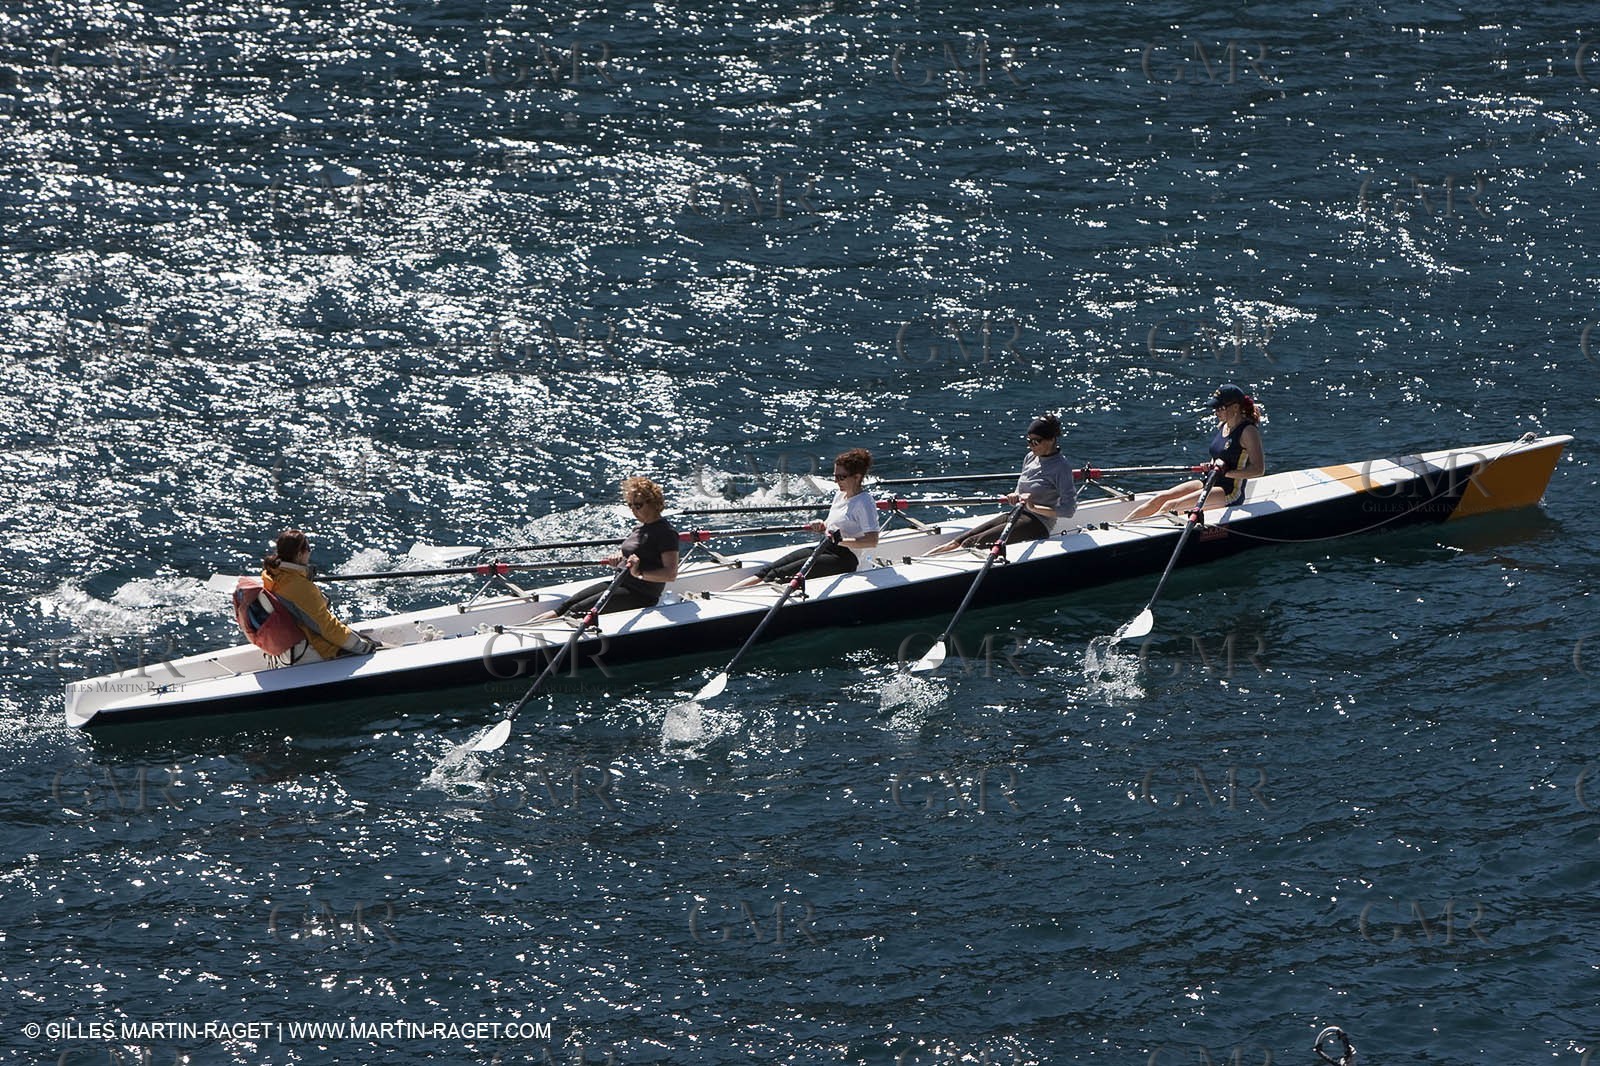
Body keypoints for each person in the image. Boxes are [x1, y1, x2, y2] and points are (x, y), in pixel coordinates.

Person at [728, 448, 881, 589]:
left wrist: (839, 540)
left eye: (841, 477)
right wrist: (822, 524)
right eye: (835, 476)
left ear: (857, 477)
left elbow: (872, 541)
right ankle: (722, 594)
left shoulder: (864, 502)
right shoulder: (840, 495)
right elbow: (831, 524)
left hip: (845, 558)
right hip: (826, 547)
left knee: (779, 575)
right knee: (768, 570)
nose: (836, 481)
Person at [928, 415, 1076, 554]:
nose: (1031, 445)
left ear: (1050, 440)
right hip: (1017, 514)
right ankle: (914, 562)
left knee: (971, 543)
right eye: (1028, 441)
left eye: (1035, 441)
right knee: (959, 541)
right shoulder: (1030, 458)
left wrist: (1033, 507)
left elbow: (1068, 510)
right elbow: (1020, 492)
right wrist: (1015, 496)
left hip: (1037, 524)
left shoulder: (1061, 468)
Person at [536, 477, 680, 620]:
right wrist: (619, 556)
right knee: (566, 606)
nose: (634, 511)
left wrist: (638, 573)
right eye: (630, 506)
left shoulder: (666, 533)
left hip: (640, 594)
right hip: (619, 582)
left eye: (638, 505)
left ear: (653, 503)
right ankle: (526, 630)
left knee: (575, 612)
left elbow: (670, 574)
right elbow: (635, 550)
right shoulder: (640, 527)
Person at [1125, 383, 1267, 521]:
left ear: (1235, 407)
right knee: (1161, 498)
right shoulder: (1223, 425)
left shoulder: (1248, 431)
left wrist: (1226, 472)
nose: (1216, 412)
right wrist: (1210, 465)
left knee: (1171, 506)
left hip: (1229, 491)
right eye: (1215, 408)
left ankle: (1135, 536)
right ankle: (1120, 526)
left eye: (1220, 408)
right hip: (1210, 481)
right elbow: (1222, 455)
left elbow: (1258, 469)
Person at [261, 529, 381, 663]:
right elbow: (327, 627)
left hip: (288, 650)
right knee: (375, 649)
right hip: (314, 650)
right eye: (308, 548)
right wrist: (363, 646)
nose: (310, 552)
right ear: (300, 554)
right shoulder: (299, 587)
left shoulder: (272, 575)